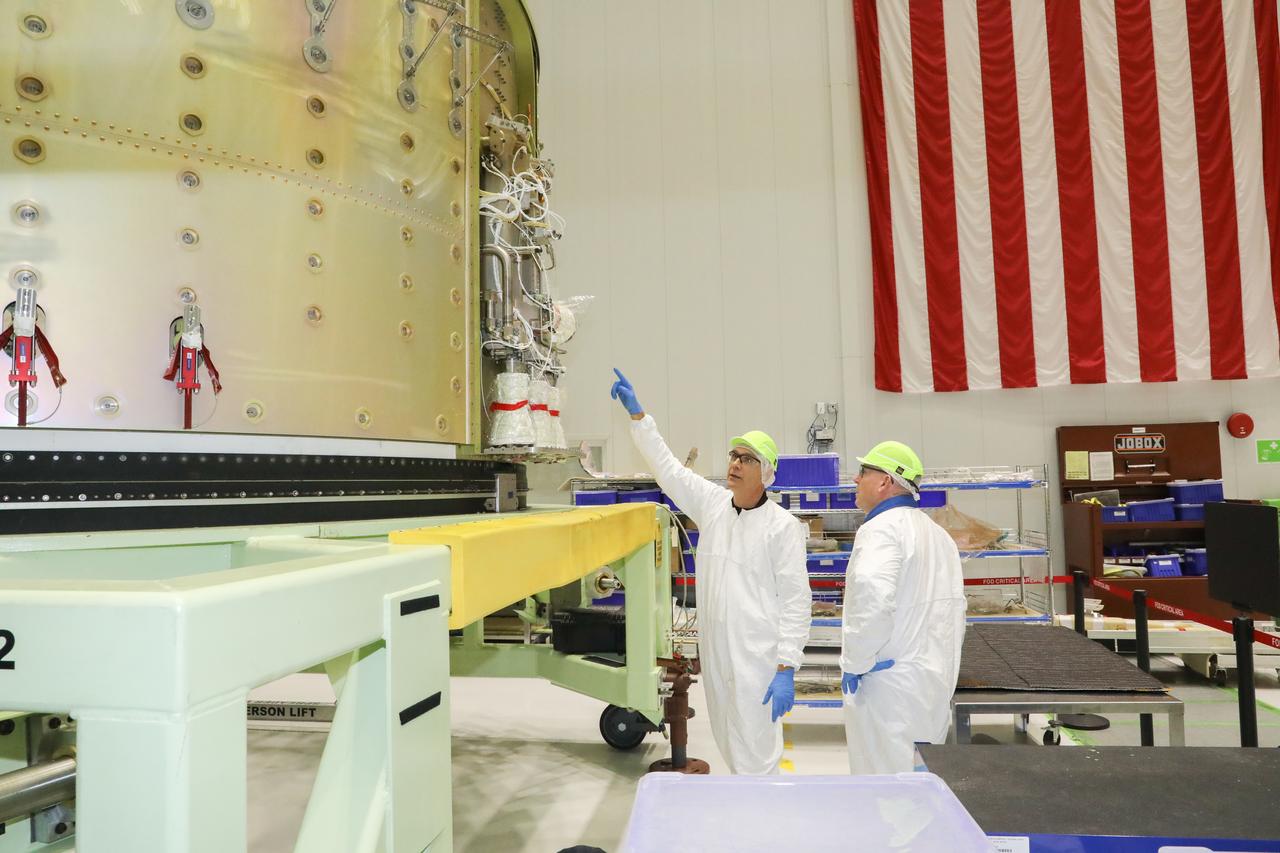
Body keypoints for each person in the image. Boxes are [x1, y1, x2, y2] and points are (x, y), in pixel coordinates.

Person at [609, 369, 811, 775]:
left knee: (757, 747)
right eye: (734, 455)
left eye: (746, 459)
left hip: (757, 657)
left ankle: (766, 827)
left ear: (766, 472)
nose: (735, 463)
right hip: (716, 650)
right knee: (728, 740)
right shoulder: (714, 505)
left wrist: (787, 666)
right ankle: (743, 817)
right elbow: (670, 472)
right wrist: (639, 418)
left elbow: (795, 601)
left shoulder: (782, 527)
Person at [840, 441, 965, 774]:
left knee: (884, 791)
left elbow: (872, 599)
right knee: (919, 785)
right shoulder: (938, 536)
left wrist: (856, 660)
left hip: (887, 689)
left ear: (884, 482)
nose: (855, 479)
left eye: (863, 472)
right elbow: (955, 614)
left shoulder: (880, 530)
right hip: (931, 688)